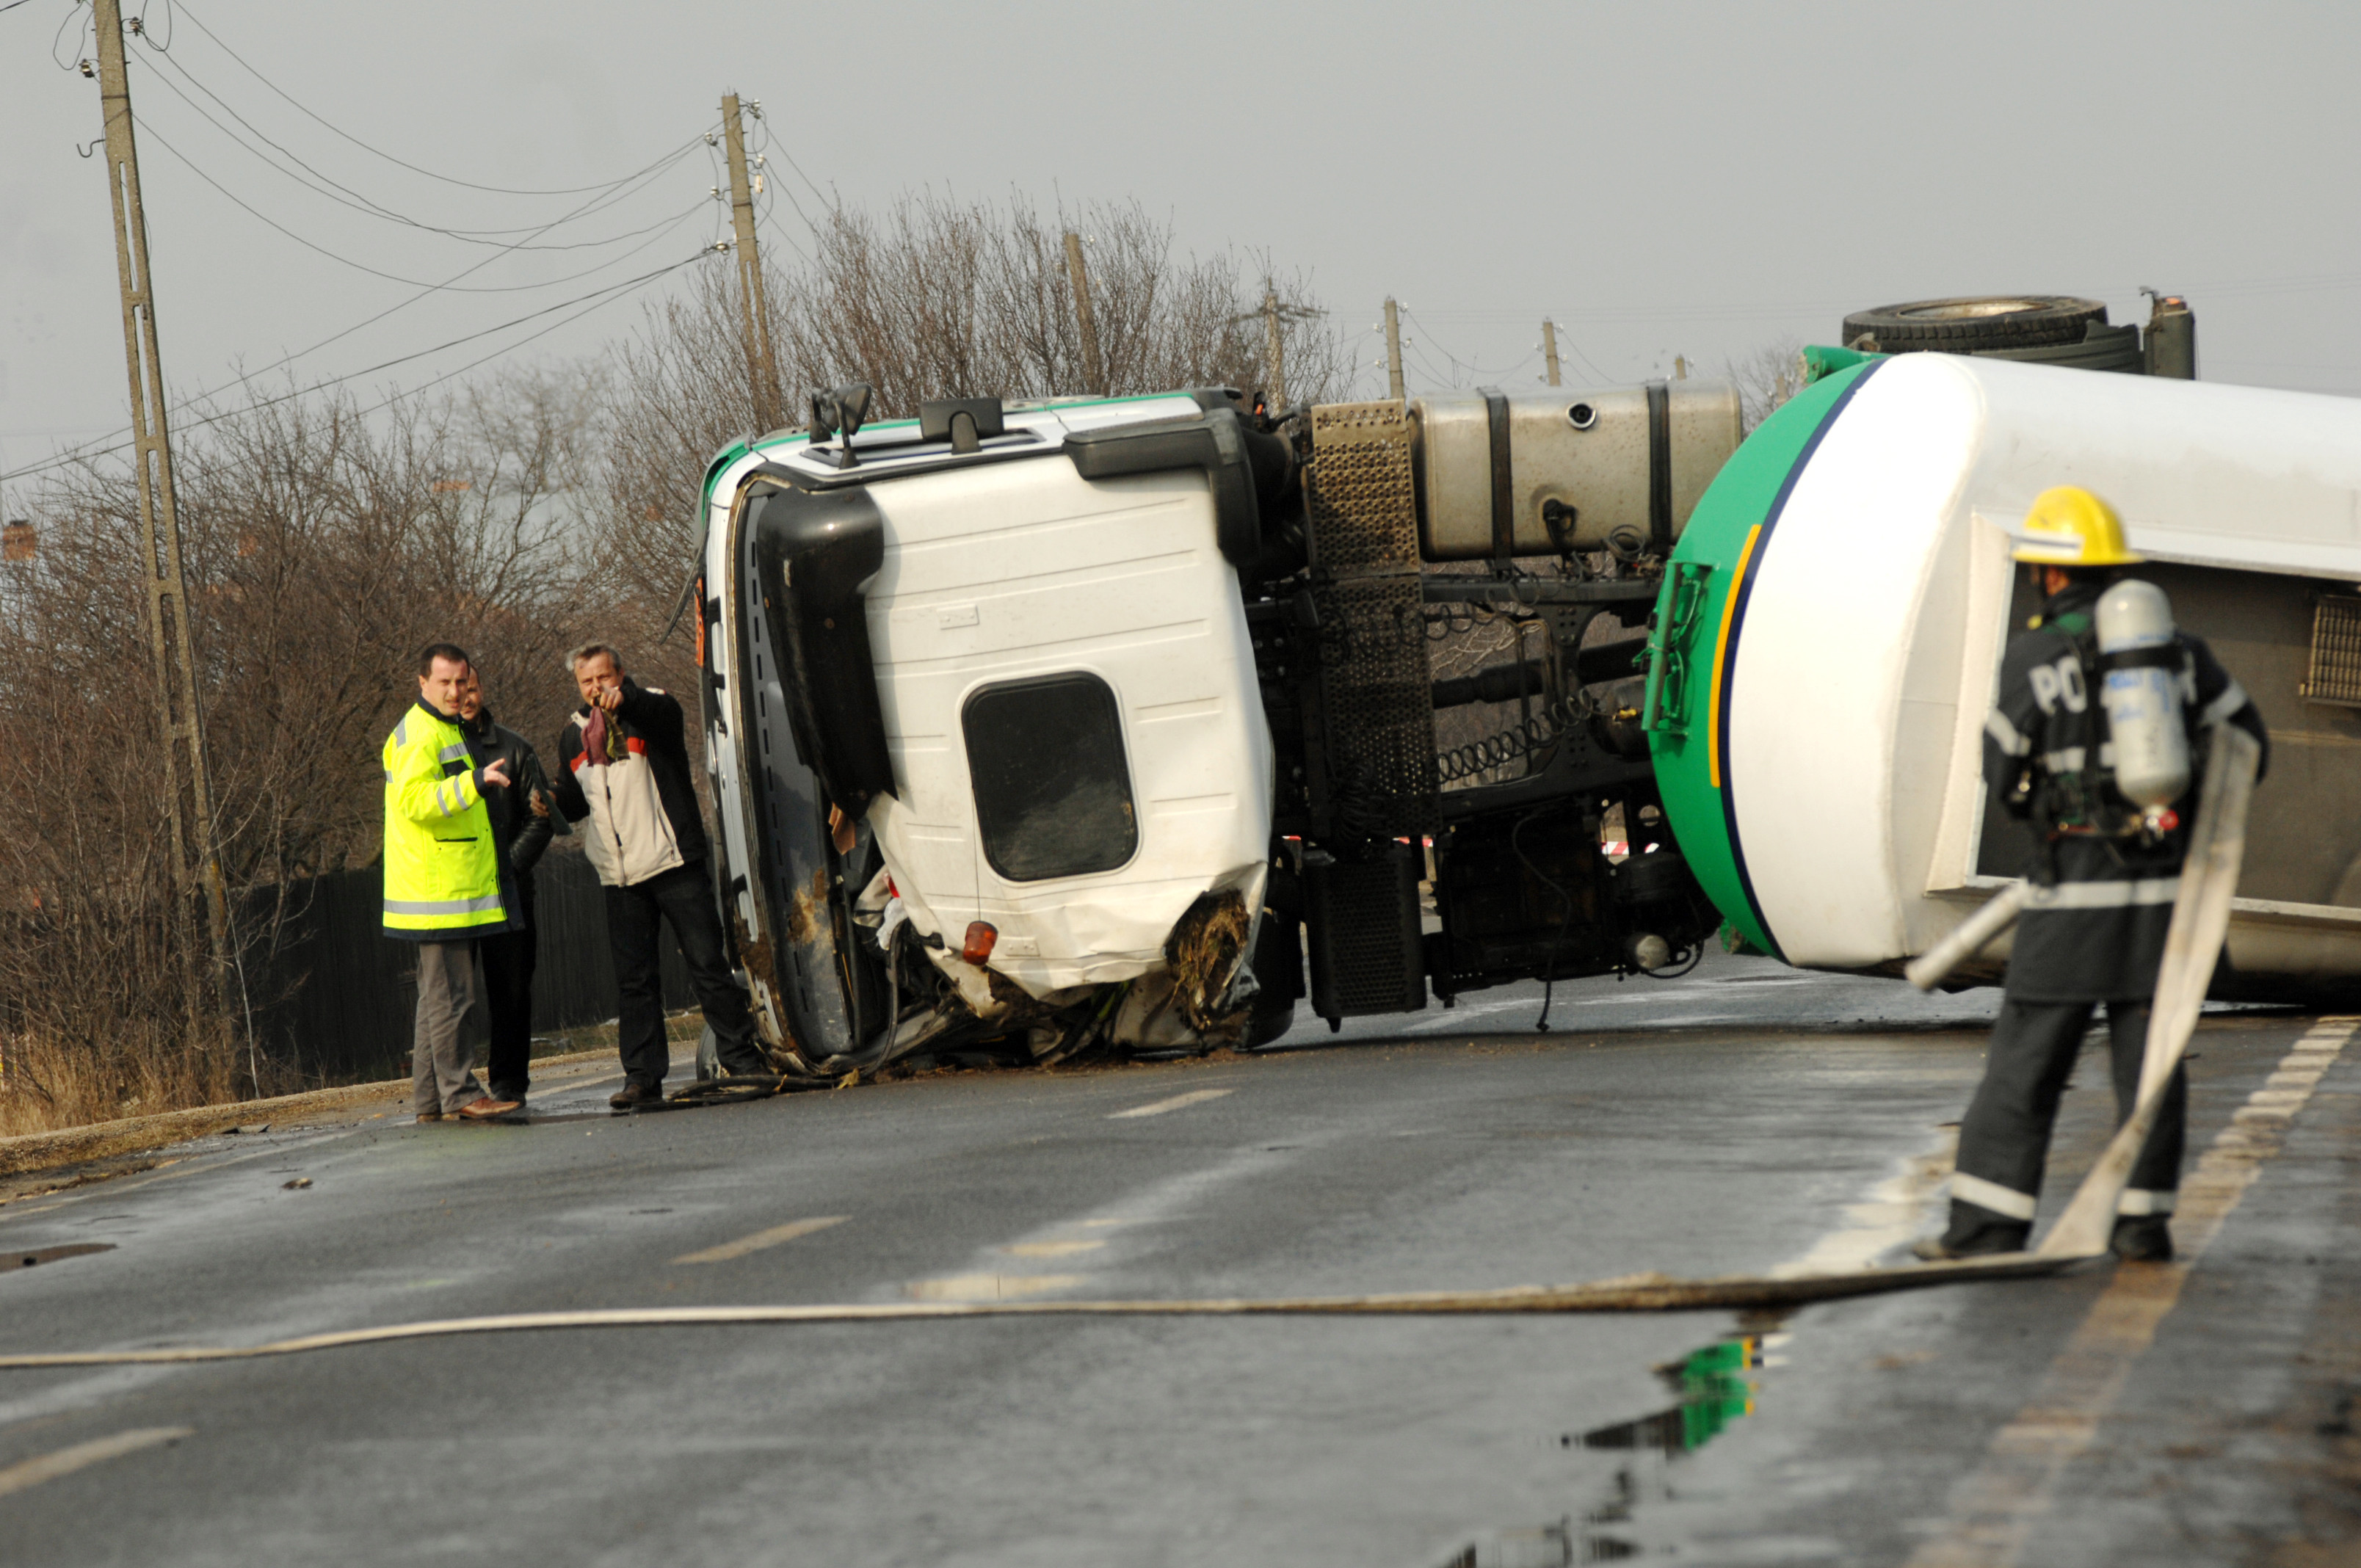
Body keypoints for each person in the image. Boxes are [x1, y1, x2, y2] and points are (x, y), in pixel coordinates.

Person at [1919, 487, 2268, 1263]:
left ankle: (1985, 1232)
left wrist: (2054, 800)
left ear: (2048, 577)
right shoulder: (2178, 652)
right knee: (2150, 1074)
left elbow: (2002, 774)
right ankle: (2142, 1228)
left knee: (2025, 1071)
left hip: (2072, 904)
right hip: (2167, 913)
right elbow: (2250, 745)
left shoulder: (2037, 656)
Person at [549, 643, 771, 1109]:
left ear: (621, 674)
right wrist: (547, 801)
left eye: (604, 678)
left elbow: (665, 713)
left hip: (673, 863)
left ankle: (744, 1062)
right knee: (635, 983)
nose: (596, 689)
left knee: (707, 964)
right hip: (619, 874)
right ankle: (642, 1078)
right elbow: (575, 802)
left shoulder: (649, 707)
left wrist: (626, 701)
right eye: (587, 682)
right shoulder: (573, 736)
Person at [382, 644, 521, 1124]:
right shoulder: (420, 733)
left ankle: (430, 1101)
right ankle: (461, 1092)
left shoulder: (446, 729)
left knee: (435, 1004)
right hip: (437, 893)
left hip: (445, 891)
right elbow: (415, 801)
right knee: (451, 1001)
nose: (455, 691)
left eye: (461, 681)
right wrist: (474, 783)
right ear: (422, 683)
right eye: (444, 682)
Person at [457, 668, 566, 1108]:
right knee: (455, 998)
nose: (466, 697)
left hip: (510, 893)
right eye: (457, 689)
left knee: (513, 992)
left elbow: (542, 817)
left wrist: (506, 869)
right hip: (456, 896)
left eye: (473, 688)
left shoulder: (515, 748)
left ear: (483, 691)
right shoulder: (437, 749)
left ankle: (508, 1084)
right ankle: (457, 1087)